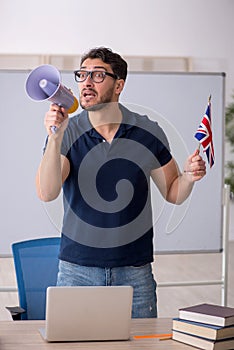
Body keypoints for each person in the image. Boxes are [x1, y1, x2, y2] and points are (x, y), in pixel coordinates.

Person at [36, 47, 206, 318]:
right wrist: (55, 137)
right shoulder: (69, 132)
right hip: (77, 272)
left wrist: (188, 177)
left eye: (98, 75)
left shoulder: (147, 131)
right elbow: (47, 192)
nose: (87, 82)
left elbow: (174, 192)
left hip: (135, 274)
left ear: (119, 85)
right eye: (82, 75)